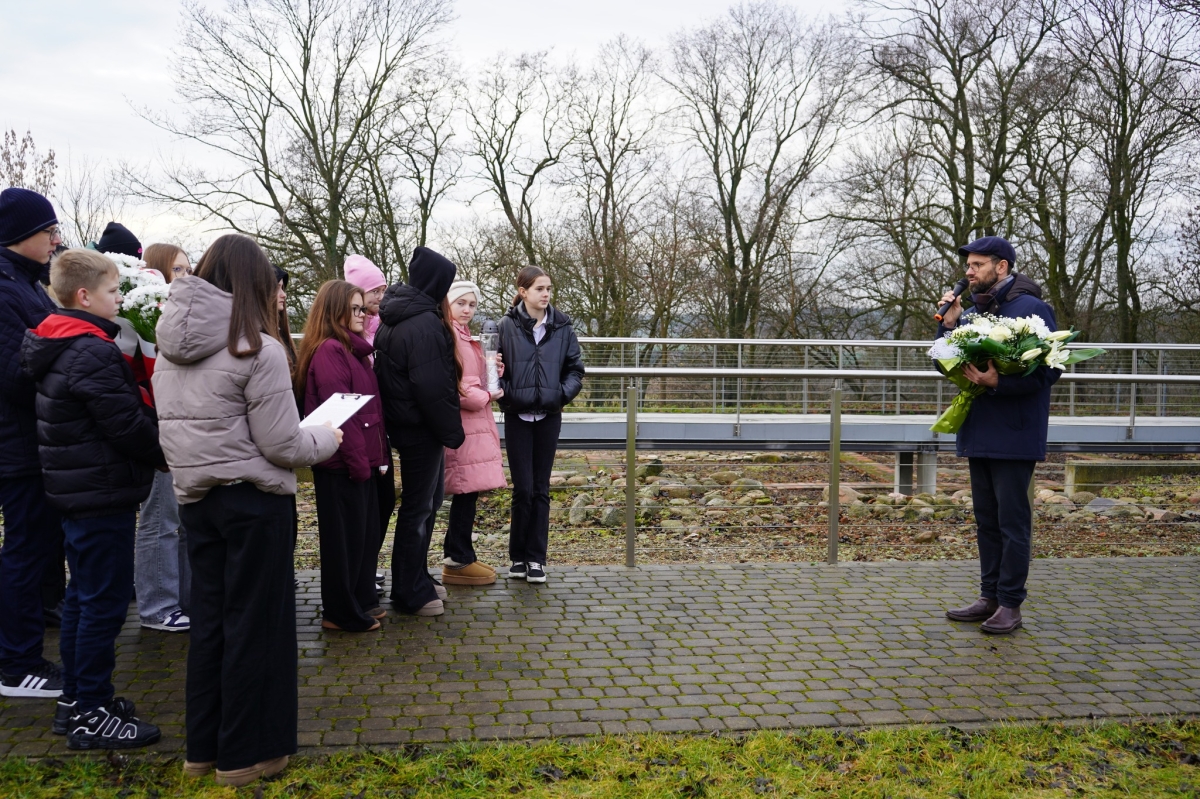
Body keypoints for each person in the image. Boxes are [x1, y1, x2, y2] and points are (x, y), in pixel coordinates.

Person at [152, 234, 340, 787]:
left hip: (198, 503)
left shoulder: (168, 348)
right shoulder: (257, 348)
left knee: (211, 625)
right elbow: (283, 444)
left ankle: (203, 749)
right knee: (258, 628)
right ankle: (246, 754)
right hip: (254, 505)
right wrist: (327, 437)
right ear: (255, 284)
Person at [21, 249, 167, 749]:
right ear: (84, 296)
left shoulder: (59, 342)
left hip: (79, 490)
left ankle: (77, 699)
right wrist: (166, 454)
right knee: (103, 604)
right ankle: (91, 711)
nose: (120, 298)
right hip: (100, 491)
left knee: (84, 599)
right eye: (112, 290)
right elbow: (124, 423)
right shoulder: (90, 350)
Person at [937, 236, 1060, 635]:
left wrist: (998, 383)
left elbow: (1049, 372)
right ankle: (988, 596)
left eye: (977, 265)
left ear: (1001, 266)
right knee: (987, 521)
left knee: (1012, 522)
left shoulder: (1032, 309)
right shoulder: (975, 311)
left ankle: (1010, 603)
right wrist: (950, 325)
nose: (969, 272)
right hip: (980, 430)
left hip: (1014, 433)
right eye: (968, 265)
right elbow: (947, 364)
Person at [0, 187, 67, 699]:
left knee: (34, 551)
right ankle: (16, 664)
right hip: (17, 445)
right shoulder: (6, 291)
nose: (55, 240)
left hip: (31, 442)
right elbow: (14, 374)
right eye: (48, 231)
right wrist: (67, 353)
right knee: (24, 553)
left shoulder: (24, 284)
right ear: (21, 234)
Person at [374, 247, 464, 617]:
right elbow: (433, 388)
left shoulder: (397, 316)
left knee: (425, 504)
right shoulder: (425, 324)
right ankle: (409, 590)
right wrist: (452, 432)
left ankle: (418, 578)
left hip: (403, 423)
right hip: (420, 428)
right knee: (418, 507)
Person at [295, 281, 387, 632]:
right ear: (335, 311)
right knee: (342, 542)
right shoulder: (331, 351)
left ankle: (361, 599)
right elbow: (341, 415)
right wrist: (359, 464)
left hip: (360, 460)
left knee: (362, 537)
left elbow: (370, 410)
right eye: (355, 309)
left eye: (363, 308)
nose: (363, 314)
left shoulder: (354, 351)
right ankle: (340, 611)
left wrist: (376, 459)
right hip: (340, 463)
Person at [497, 266, 585, 584]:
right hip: (517, 417)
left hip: (549, 417)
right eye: (539, 288)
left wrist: (559, 395)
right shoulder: (505, 326)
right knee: (522, 489)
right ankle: (517, 558)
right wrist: (508, 395)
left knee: (541, 489)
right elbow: (493, 370)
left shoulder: (562, 326)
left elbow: (575, 369)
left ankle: (536, 559)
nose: (546, 294)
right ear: (523, 292)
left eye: (549, 288)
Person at [133, 243, 193, 632]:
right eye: (178, 269)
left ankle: (183, 598)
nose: (185, 276)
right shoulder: (141, 320)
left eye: (189, 269)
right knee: (160, 520)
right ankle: (157, 606)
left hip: (183, 430)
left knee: (181, 521)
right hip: (158, 431)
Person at [441, 281, 504, 586]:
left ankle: (461, 553)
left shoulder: (465, 337)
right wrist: (486, 395)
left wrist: (493, 370)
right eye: (461, 303)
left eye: (472, 305)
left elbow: (472, 377)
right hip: (465, 424)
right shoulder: (450, 336)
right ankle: (458, 557)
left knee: (469, 491)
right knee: (465, 490)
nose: (467, 310)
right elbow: (457, 388)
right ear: (448, 304)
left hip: (473, 426)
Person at [344, 254, 394, 596]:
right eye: (374, 291)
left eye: (382, 290)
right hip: (361, 430)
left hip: (379, 427)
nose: (380, 297)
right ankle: (362, 569)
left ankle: (370, 562)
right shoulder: (352, 336)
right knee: (368, 503)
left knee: (384, 500)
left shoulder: (381, 327)